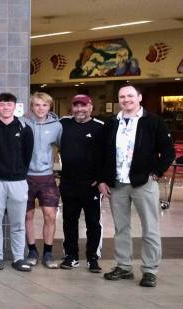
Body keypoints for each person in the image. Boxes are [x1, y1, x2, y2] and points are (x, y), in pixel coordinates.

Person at [100, 85, 174, 287]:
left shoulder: (154, 122)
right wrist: (103, 179)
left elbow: (168, 152)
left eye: (130, 95)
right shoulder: (112, 123)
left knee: (150, 228)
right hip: (117, 183)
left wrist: (155, 173)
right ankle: (124, 267)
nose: (126, 99)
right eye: (122, 96)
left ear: (139, 97)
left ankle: (150, 270)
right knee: (121, 227)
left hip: (143, 183)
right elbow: (102, 154)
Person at [0, 93, 33, 272]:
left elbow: (27, 154)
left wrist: (19, 172)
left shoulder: (24, 127)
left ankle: (18, 257)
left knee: (18, 223)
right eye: (1, 105)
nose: (5, 108)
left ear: (14, 106)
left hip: (17, 181)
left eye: (9, 105)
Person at [58, 94, 105, 273]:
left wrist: (101, 179)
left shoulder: (100, 127)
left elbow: (106, 155)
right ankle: (71, 255)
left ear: (90, 107)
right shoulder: (64, 124)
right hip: (68, 183)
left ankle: (93, 257)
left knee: (93, 222)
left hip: (91, 184)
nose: (79, 110)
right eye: (76, 106)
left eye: (83, 106)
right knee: (69, 221)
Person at [22, 92, 63, 269]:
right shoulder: (23, 123)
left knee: (50, 215)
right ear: (31, 107)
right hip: (26, 177)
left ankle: (47, 252)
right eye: (37, 105)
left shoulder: (57, 126)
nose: (40, 108)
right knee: (27, 215)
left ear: (49, 107)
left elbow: (64, 148)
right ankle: (32, 250)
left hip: (46, 177)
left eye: (44, 105)